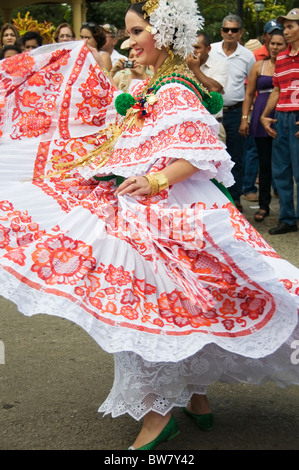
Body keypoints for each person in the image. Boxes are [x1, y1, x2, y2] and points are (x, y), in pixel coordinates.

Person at [0, 0, 299, 451]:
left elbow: (199, 151)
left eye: (137, 31)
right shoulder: (157, 82)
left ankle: (160, 415)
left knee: (150, 310)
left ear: (165, 34)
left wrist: (153, 178)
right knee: (174, 304)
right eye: (127, 33)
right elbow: (143, 141)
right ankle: (195, 398)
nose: (129, 41)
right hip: (155, 206)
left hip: (169, 212)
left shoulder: (174, 86)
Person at [239, 31, 287, 222]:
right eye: (272, 43)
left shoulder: (289, 66)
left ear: (286, 46)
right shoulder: (259, 65)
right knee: (264, 164)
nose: (275, 47)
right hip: (261, 114)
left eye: (280, 44)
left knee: (284, 165)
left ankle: (286, 207)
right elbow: (249, 94)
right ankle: (264, 205)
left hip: (283, 111)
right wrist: (245, 117)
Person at [209, 15, 256, 212]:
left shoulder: (247, 56)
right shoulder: (211, 50)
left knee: (235, 157)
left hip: (236, 111)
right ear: (221, 31)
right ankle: (215, 198)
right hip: (211, 112)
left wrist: (245, 118)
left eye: (234, 30)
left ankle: (234, 199)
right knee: (212, 157)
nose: (230, 33)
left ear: (241, 33)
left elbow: (250, 90)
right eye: (226, 29)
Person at [260, 8, 299, 235]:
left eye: (291, 26)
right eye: (285, 27)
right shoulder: (282, 57)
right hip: (281, 118)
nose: (286, 31)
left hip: (296, 119)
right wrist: (265, 115)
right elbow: (277, 89)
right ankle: (287, 219)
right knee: (281, 172)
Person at [186, 32, 227, 143]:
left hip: (213, 125)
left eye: (197, 47)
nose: (193, 51)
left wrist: (195, 69)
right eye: (190, 47)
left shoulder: (219, 65)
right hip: (188, 128)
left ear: (208, 49)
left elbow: (215, 89)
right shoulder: (182, 67)